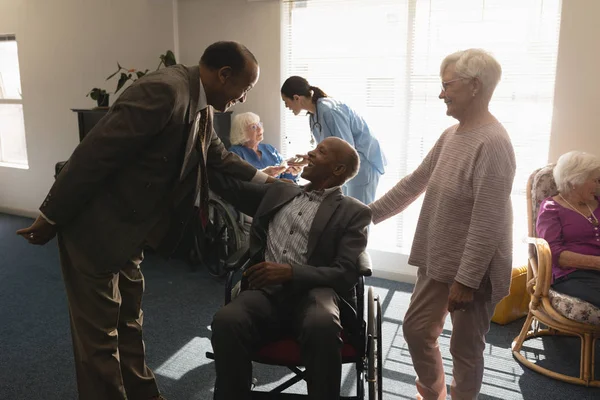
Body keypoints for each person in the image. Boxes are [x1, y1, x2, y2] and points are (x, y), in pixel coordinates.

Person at [15, 41, 272, 400]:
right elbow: (94, 155)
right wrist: (51, 214)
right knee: (99, 340)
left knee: (129, 324)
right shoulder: (164, 91)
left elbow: (214, 154)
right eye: (244, 89)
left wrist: (267, 180)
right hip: (95, 230)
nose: (244, 98)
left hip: (132, 232)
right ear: (223, 75)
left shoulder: (201, 102)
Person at [369, 49, 515, 400]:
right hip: (439, 259)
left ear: (475, 86)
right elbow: (414, 183)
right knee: (417, 330)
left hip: (474, 271)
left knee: (465, 350)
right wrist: (362, 216)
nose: (441, 93)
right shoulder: (452, 134)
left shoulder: (494, 143)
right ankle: (432, 393)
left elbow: (488, 220)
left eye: (446, 84)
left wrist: (466, 280)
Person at [209, 137, 371, 400]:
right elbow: (228, 186)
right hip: (265, 292)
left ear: (338, 170)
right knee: (227, 319)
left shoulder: (354, 212)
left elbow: (345, 273)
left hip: (316, 294)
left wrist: (291, 272)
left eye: (320, 152)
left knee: (323, 324)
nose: (310, 153)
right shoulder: (281, 191)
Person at [280, 76, 386, 204]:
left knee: (358, 216)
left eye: (286, 102)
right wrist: (307, 160)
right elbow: (328, 152)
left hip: (363, 165)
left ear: (296, 98)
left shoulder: (329, 110)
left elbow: (346, 150)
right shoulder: (313, 115)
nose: (286, 106)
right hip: (344, 169)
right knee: (345, 216)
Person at [536, 151, 600, 308]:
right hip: (572, 275)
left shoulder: (597, 201)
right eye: (595, 180)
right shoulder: (551, 208)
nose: (598, 185)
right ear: (575, 181)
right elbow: (555, 254)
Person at [229, 111, 300, 182]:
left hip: (278, 190)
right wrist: (263, 174)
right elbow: (238, 183)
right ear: (242, 132)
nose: (260, 129)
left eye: (259, 124)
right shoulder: (235, 153)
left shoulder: (269, 149)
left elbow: (286, 177)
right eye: (253, 127)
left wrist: (293, 171)